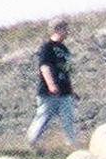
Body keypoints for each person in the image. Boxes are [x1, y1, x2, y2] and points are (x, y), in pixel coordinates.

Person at [27, 17, 79, 148]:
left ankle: (71, 144)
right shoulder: (47, 47)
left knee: (68, 117)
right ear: (57, 29)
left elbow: (66, 71)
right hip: (49, 92)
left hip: (65, 91)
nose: (67, 32)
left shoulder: (64, 49)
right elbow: (44, 66)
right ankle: (31, 142)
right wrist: (51, 84)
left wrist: (72, 90)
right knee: (43, 117)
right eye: (65, 29)